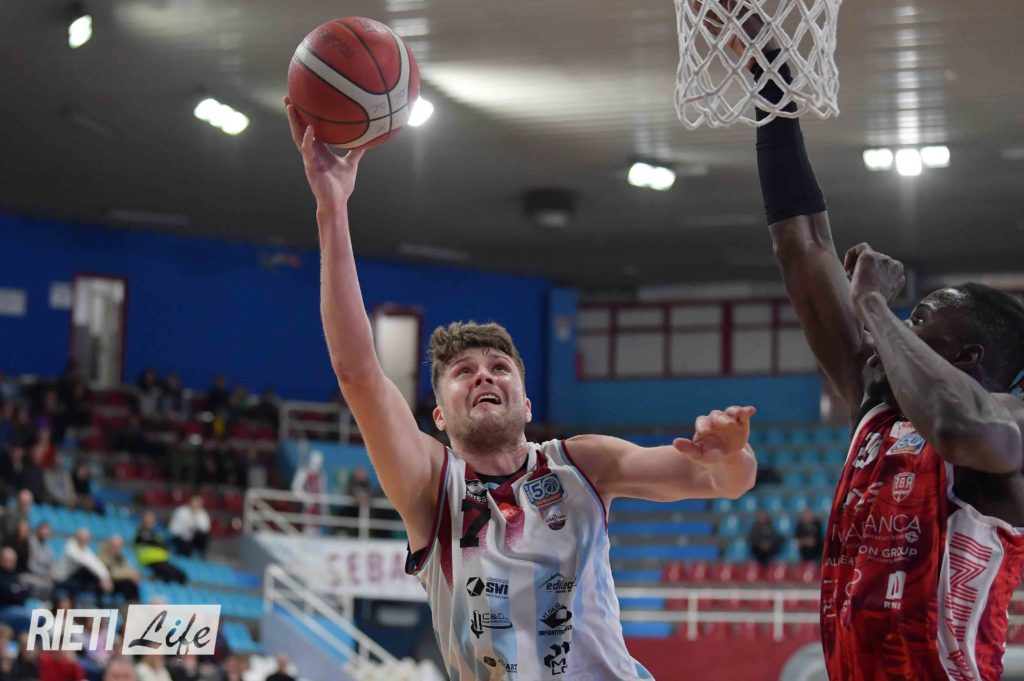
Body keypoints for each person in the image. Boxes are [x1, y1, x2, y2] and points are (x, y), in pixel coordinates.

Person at [285, 97, 758, 679]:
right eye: (463, 372)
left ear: (527, 403)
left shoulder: (583, 464)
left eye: (499, 367)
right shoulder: (429, 485)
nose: (483, 375)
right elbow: (357, 373)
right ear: (439, 415)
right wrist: (332, 209)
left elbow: (721, 482)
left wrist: (730, 454)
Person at [704, 3, 1024, 676]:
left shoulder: (1009, 425)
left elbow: (957, 427)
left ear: (967, 356)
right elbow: (803, 245)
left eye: (920, 320)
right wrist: (770, 80)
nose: (898, 330)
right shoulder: (878, 402)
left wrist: (875, 304)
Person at [55, 528, 112, 599]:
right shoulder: (70, 547)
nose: (83, 540)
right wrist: (102, 577)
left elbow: (96, 563)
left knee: (96, 578)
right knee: (87, 571)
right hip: (63, 578)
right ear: (77, 537)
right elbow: (84, 561)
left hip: (74, 579)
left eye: (85, 539)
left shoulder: (86, 550)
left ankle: (100, 599)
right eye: (82, 538)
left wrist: (106, 578)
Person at [134, 512, 187, 584]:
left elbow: (163, 545)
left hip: (162, 560)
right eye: (148, 521)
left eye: (152, 521)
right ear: (143, 521)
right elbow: (148, 541)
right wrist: (158, 543)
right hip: (150, 560)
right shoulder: (141, 532)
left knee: (182, 575)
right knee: (169, 574)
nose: (150, 523)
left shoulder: (156, 534)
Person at [98, 536, 141, 602]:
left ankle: (135, 604)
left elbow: (126, 568)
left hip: (118, 582)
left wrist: (133, 574)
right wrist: (129, 575)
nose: (117, 548)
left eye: (119, 546)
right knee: (125, 583)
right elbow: (113, 572)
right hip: (108, 582)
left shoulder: (120, 556)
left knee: (133, 584)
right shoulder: (104, 556)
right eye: (115, 545)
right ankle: (132, 603)